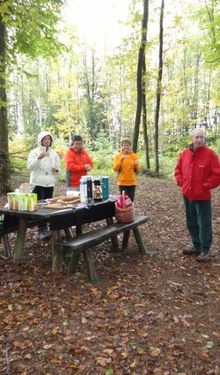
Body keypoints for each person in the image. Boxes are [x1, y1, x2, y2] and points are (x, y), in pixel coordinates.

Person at [174, 128, 220, 262]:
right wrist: (182, 182)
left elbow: (217, 175)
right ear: (192, 139)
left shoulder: (210, 154)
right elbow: (178, 170)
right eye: (197, 137)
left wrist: (205, 186)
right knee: (191, 221)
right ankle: (196, 245)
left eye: (201, 137)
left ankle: (205, 250)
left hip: (202, 196)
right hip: (187, 194)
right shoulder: (184, 154)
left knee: (204, 223)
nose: (199, 140)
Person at [27, 131, 60, 239]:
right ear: (40, 140)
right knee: (39, 207)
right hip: (38, 182)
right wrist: (39, 158)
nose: (47, 141)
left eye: (49, 139)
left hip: (49, 183)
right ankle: (41, 229)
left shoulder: (54, 153)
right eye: (45, 139)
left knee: (48, 205)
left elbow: (59, 170)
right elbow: (29, 167)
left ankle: (47, 227)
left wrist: (56, 170)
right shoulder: (35, 152)